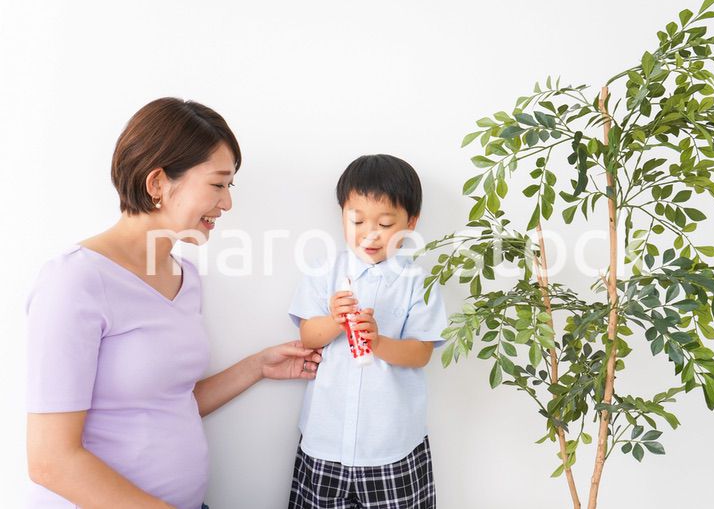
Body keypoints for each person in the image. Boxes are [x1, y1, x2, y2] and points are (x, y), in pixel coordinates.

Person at [25, 97, 322, 509]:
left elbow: (167, 402)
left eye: (229, 186)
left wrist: (257, 366)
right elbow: (50, 461)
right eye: (218, 184)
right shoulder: (75, 281)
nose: (228, 203)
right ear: (158, 183)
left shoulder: (186, 278)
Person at [287, 154, 447, 508]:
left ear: (411, 223)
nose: (369, 234)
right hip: (326, 441)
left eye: (386, 223)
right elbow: (308, 337)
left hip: (391, 447)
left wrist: (377, 342)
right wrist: (334, 321)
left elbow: (420, 353)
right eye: (356, 220)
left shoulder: (418, 282)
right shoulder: (324, 271)